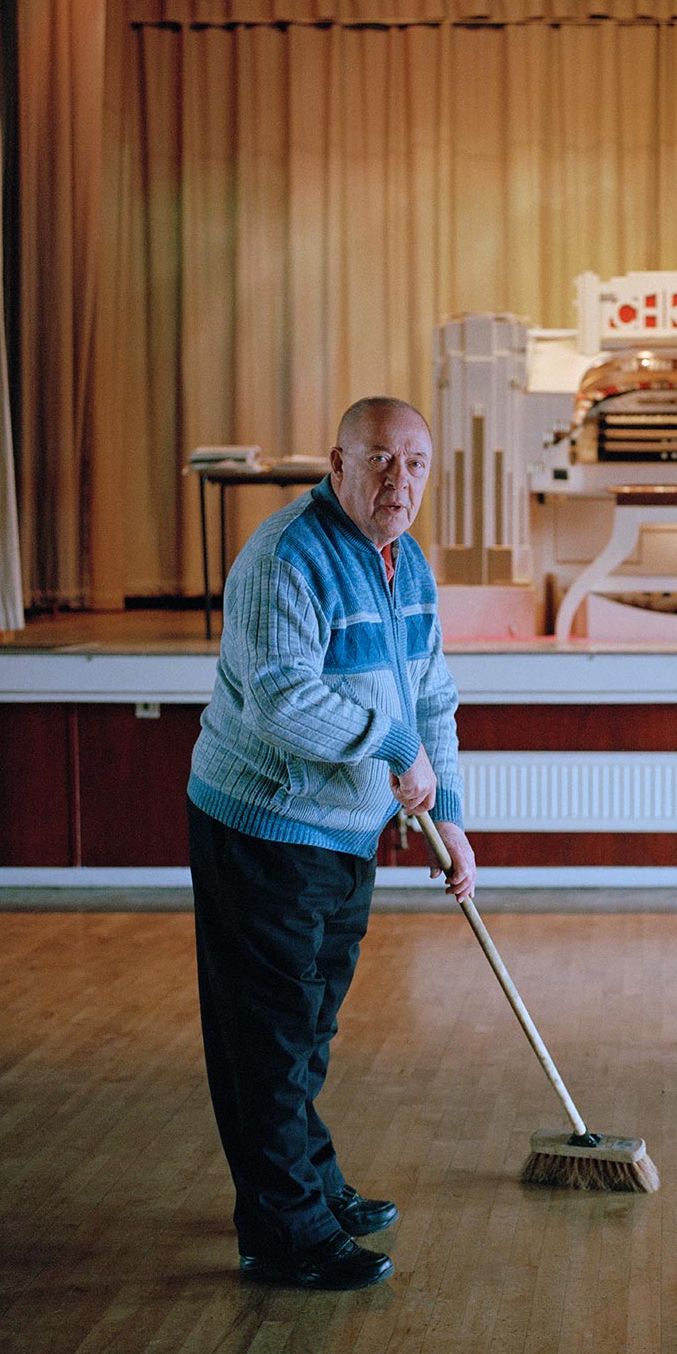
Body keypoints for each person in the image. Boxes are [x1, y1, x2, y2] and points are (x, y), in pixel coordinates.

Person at [185, 395, 477, 1291]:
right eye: (382, 459)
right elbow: (281, 699)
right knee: (268, 1032)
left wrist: (451, 813)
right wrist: (395, 748)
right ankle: (283, 1231)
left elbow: (430, 696)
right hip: (264, 825)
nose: (401, 480)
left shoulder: (407, 562)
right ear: (338, 462)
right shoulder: (286, 557)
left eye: (417, 463)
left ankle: (304, 1181)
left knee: (307, 1024)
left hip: (346, 831)